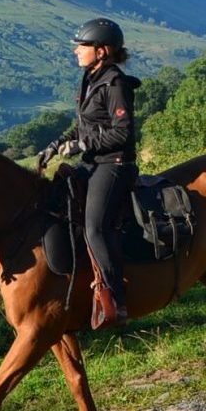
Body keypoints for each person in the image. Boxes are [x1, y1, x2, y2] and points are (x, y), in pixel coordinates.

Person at [39, 17, 140, 329]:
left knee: (94, 227)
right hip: (92, 163)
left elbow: (122, 132)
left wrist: (83, 143)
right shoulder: (90, 79)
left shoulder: (115, 84)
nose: (76, 51)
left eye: (82, 45)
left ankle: (114, 299)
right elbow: (85, 123)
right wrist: (57, 144)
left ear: (102, 51)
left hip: (114, 166)